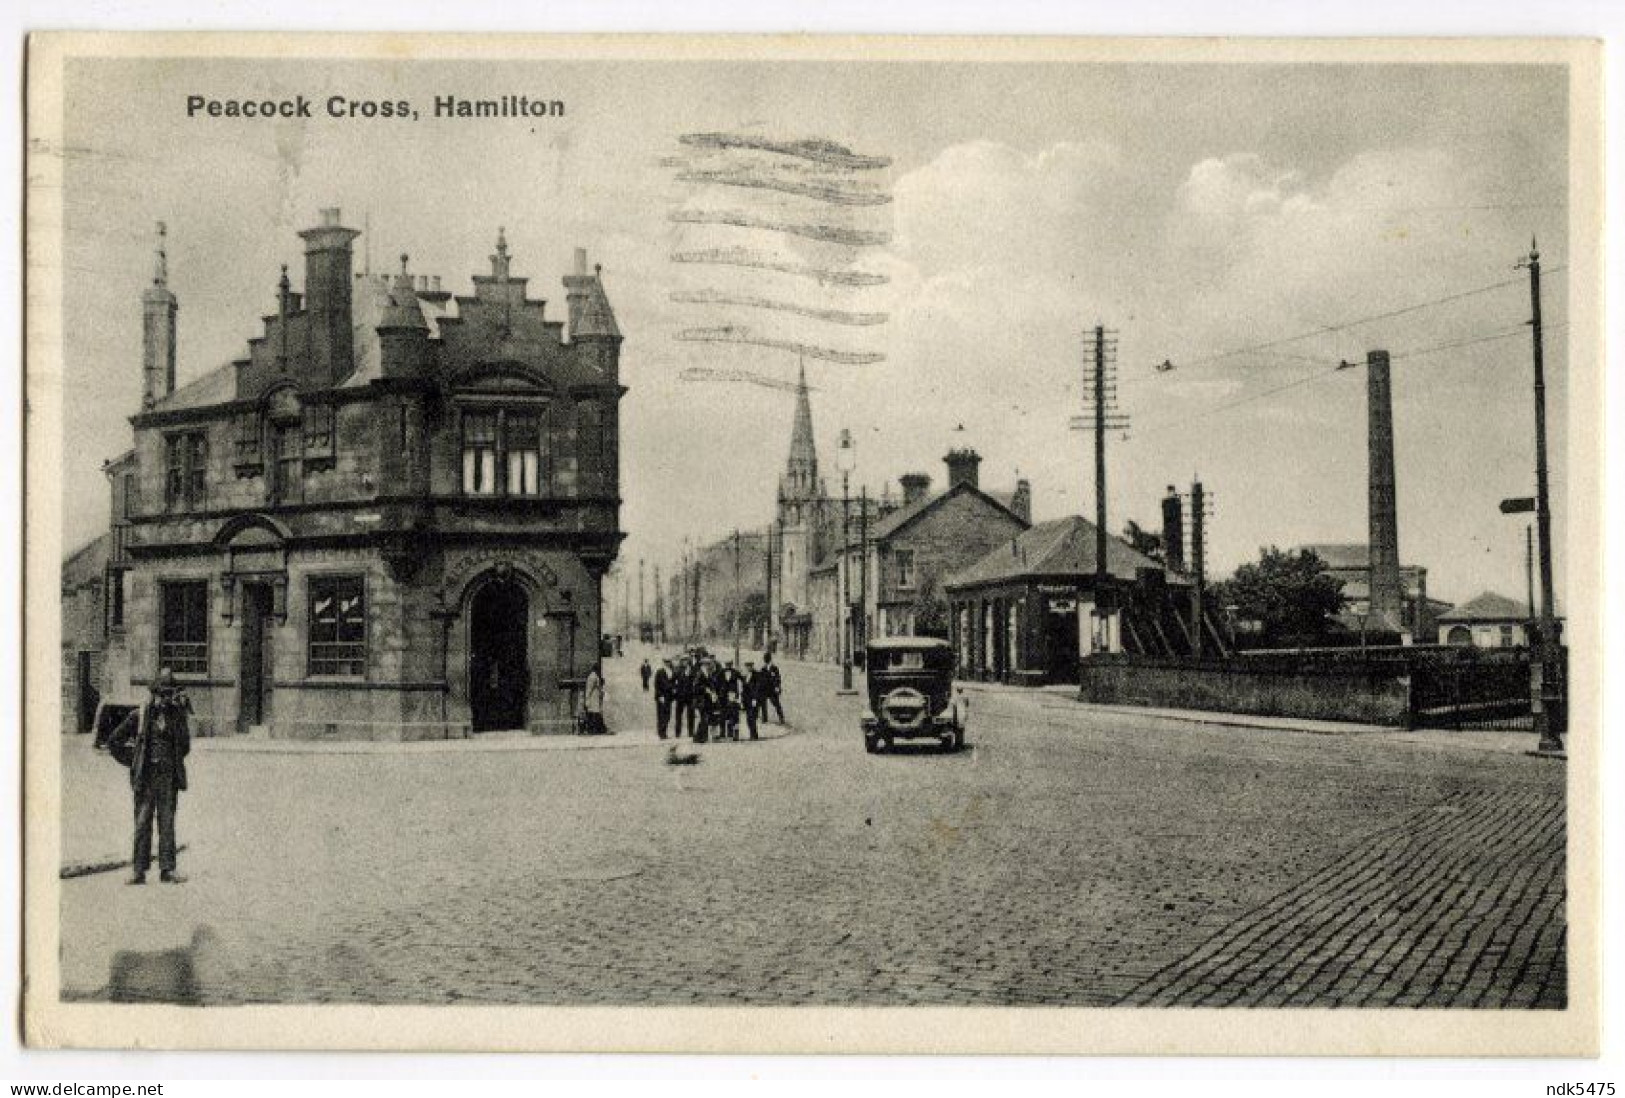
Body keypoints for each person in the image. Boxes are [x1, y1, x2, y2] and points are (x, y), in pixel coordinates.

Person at [107, 668, 193, 885]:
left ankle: (168, 870)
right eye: (161, 694)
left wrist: (182, 717)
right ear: (153, 694)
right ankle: (138, 871)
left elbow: (185, 747)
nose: (164, 699)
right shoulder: (140, 715)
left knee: (167, 823)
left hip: (167, 778)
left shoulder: (176, 717)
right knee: (142, 822)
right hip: (146, 778)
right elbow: (114, 741)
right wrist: (134, 760)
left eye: (168, 694)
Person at [742, 660, 766, 740]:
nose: (748, 667)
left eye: (750, 666)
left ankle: (754, 735)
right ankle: (753, 734)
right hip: (747, 700)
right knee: (748, 718)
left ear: (752, 666)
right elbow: (744, 688)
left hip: (754, 700)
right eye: (747, 666)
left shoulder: (757, 675)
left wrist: (755, 699)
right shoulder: (745, 676)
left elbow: (758, 688)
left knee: (752, 717)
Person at [581, 664, 607, 735]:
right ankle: (592, 730)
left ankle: (595, 729)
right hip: (593, 698)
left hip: (595, 698)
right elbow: (589, 689)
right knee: (593, 714)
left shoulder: (594, 676)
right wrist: (587, 699)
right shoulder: (593, 677)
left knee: (595, 713)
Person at [761, 652, 786, 724]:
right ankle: (764, 718)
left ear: (769, 659)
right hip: (765, 689)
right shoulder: (763, 668)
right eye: (765, 658)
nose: (765, 660)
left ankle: (781, 718)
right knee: (763, 704)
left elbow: (778, 678)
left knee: (776, 703)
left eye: (766, 658)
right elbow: (761, 678)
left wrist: (777, 687)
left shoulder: (774, 668)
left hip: (772, 689)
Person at [652, 658, 674, 739]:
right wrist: (660, 695)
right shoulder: (660, 671)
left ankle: (664, 732)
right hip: (662, 697)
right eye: (667, 662)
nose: (668, 663)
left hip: (668, 697)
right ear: (664, 663)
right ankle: (661, 733)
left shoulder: (670, 671)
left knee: (667, 715)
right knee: (661, 715)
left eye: (669, 662)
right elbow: (660, 684)